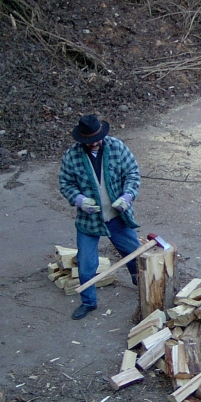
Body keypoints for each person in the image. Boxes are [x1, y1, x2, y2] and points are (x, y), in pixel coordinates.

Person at [59, 114, 142, 320]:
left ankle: (141, 283)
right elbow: (65, 184)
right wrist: (79, 200)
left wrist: (127, 196)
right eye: (90, 141)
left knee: (135, 255)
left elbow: (132, 173)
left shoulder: (117, 147)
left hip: (117, 215)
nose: (94, 143)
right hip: (89, 220)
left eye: (97, 139)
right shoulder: (72, 156)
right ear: (82, 139)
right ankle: (88, 302)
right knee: (86, 265)